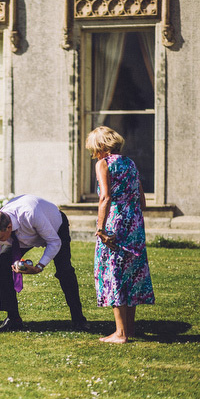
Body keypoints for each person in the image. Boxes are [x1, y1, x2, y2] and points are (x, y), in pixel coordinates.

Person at [0, 194, 88, 333]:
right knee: (2, 264)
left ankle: (79, 319)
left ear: (8, 227)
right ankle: (13, 319)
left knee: (64, 271)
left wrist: (39, 266)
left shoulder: (30, 213)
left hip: (55, 227)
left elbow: (54, 242)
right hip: (24, 236)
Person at [85, 126, 154, 343]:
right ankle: (129, 329)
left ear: (101, 147)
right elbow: (142, 200)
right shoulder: (130, 163)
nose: (94, 154)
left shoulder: (103, 164)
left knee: (113, 272)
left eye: (94, 149)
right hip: (134, 222)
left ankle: (120, 334)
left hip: (115, 222)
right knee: (132, 274)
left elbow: (105, 197)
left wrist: (100, 228)